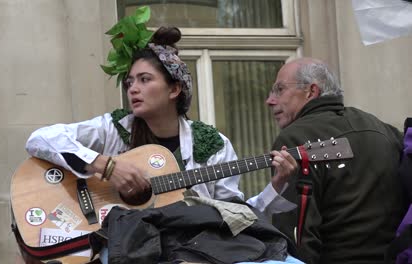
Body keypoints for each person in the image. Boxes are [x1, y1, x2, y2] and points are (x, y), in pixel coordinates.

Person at [25, 9, 300, 262]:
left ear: (174, 90)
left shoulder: (213, 144)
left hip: (191, 248)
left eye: (145, 80)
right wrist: (105, 165)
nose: (133, 89)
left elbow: (233, 215)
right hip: (125, 245)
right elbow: (39, 139)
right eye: (130, 81)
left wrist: (275, 187)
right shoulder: (115, 127)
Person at [258, 57, 406, 264]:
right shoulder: (382, 128)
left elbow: (296, 234)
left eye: (279, 89)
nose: (270, 100)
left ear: (311, 91)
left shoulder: (294, 138)